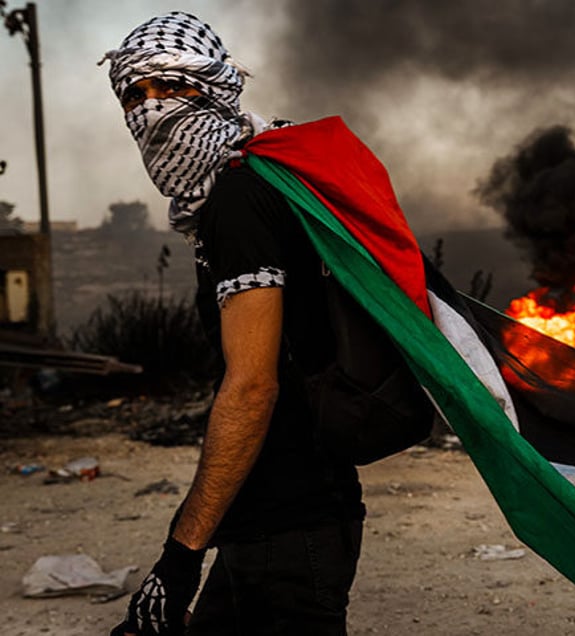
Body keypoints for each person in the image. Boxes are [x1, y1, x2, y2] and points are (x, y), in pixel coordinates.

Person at [101, 11, 376, 635]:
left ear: (217, 86)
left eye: (172, 85)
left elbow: (253, 386)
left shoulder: (240, 201)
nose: (151, 108)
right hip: (274, 520)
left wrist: (179, 556)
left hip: (291, 526)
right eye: (134, 93)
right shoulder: (252, 187)